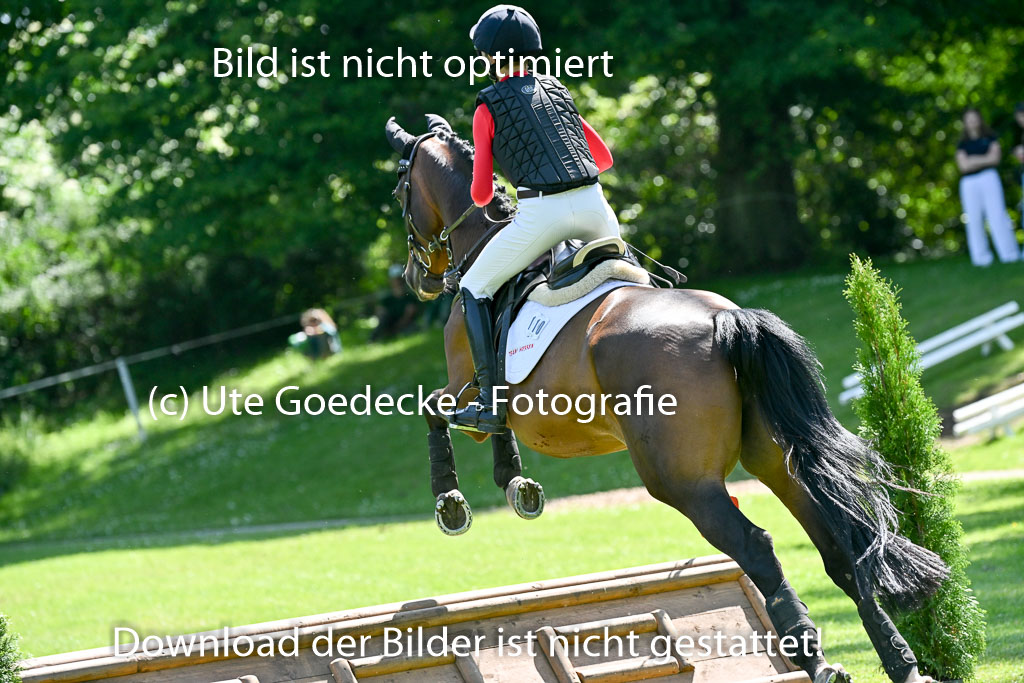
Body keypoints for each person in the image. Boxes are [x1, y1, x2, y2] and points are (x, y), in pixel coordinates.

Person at [449, 5, 620, 433]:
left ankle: (489, 403)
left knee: (474, 286)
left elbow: (482, 193)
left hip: (542, 214)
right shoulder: (558, 91)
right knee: (629, 274)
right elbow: (603, 158)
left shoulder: (487, 106)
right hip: (596, 207)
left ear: (490, 56)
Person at [955, 107, 1020, 266]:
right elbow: (963, 166)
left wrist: (973, 160)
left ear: (979, 119)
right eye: (969, 119)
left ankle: (1009, 254)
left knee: (997, 215)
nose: (972, 122)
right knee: (974, 219)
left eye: (974, 118)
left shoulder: (990, 138)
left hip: (989, 178)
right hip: (969, 183)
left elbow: (994, 159)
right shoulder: (962, 144)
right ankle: (980, 258)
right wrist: (984, 159)